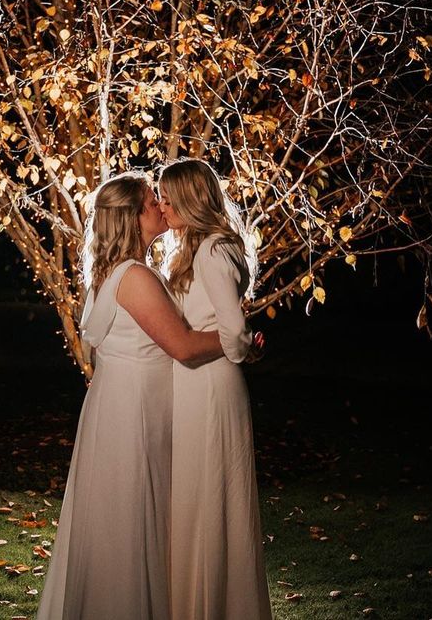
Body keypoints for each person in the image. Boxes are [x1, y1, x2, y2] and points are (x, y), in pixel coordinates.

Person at [36, 170, 226, 620]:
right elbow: (182, 345)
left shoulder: (116, 272)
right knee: (132, 520)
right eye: (151, 201)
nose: (161, 206)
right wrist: (236, 338)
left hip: (120, 406)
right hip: (135, 414)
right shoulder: (136, 277)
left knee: (122, 519)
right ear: (132, 218)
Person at [157, 157, 273, 620]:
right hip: (194, 383)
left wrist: (245, 349)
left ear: (190, 199)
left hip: (210, 386)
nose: (162, 207)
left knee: (212, 500)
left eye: (168, 199)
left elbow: (234, 331)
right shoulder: (196, 248)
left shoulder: (211, 251)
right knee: (194, 499)